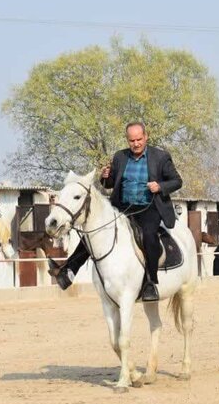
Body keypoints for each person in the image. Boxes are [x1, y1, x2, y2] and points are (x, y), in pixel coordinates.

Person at [49, 121, 182, 302]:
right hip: (122, 207)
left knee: (149, 235)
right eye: (131, 140)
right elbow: (110, 184)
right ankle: (68, 271)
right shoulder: (120, 157)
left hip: (149, 207)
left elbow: (176, 181)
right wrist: (106, 177)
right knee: (94, 231)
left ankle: (151, 283)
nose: (136, 144)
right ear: (127, 140)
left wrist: (160, 186)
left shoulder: (161, 157)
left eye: (139, 139)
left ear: (146, 137)